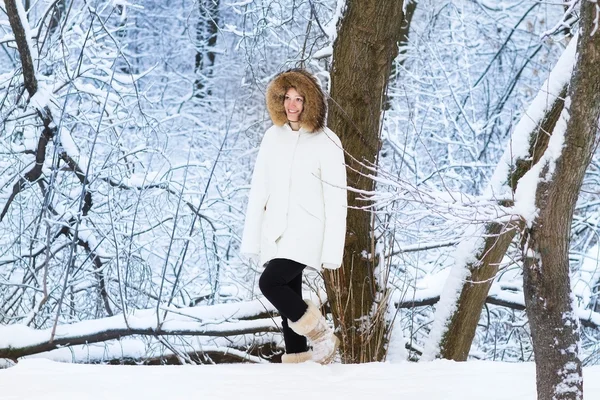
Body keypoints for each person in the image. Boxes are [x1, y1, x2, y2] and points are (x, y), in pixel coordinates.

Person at [240, 68, 348, 364]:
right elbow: (259, 189)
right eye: (287, 98)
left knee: (269, 284)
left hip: (309, 230)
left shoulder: (327, 140)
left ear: (310, 102)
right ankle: (298, 361)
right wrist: (252, 238)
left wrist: (332, 251)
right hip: (277, 230)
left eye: (299, 99)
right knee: (288, 290)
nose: (292, 105)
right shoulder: (272, 137)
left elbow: (337, 198)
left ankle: (322, 336)